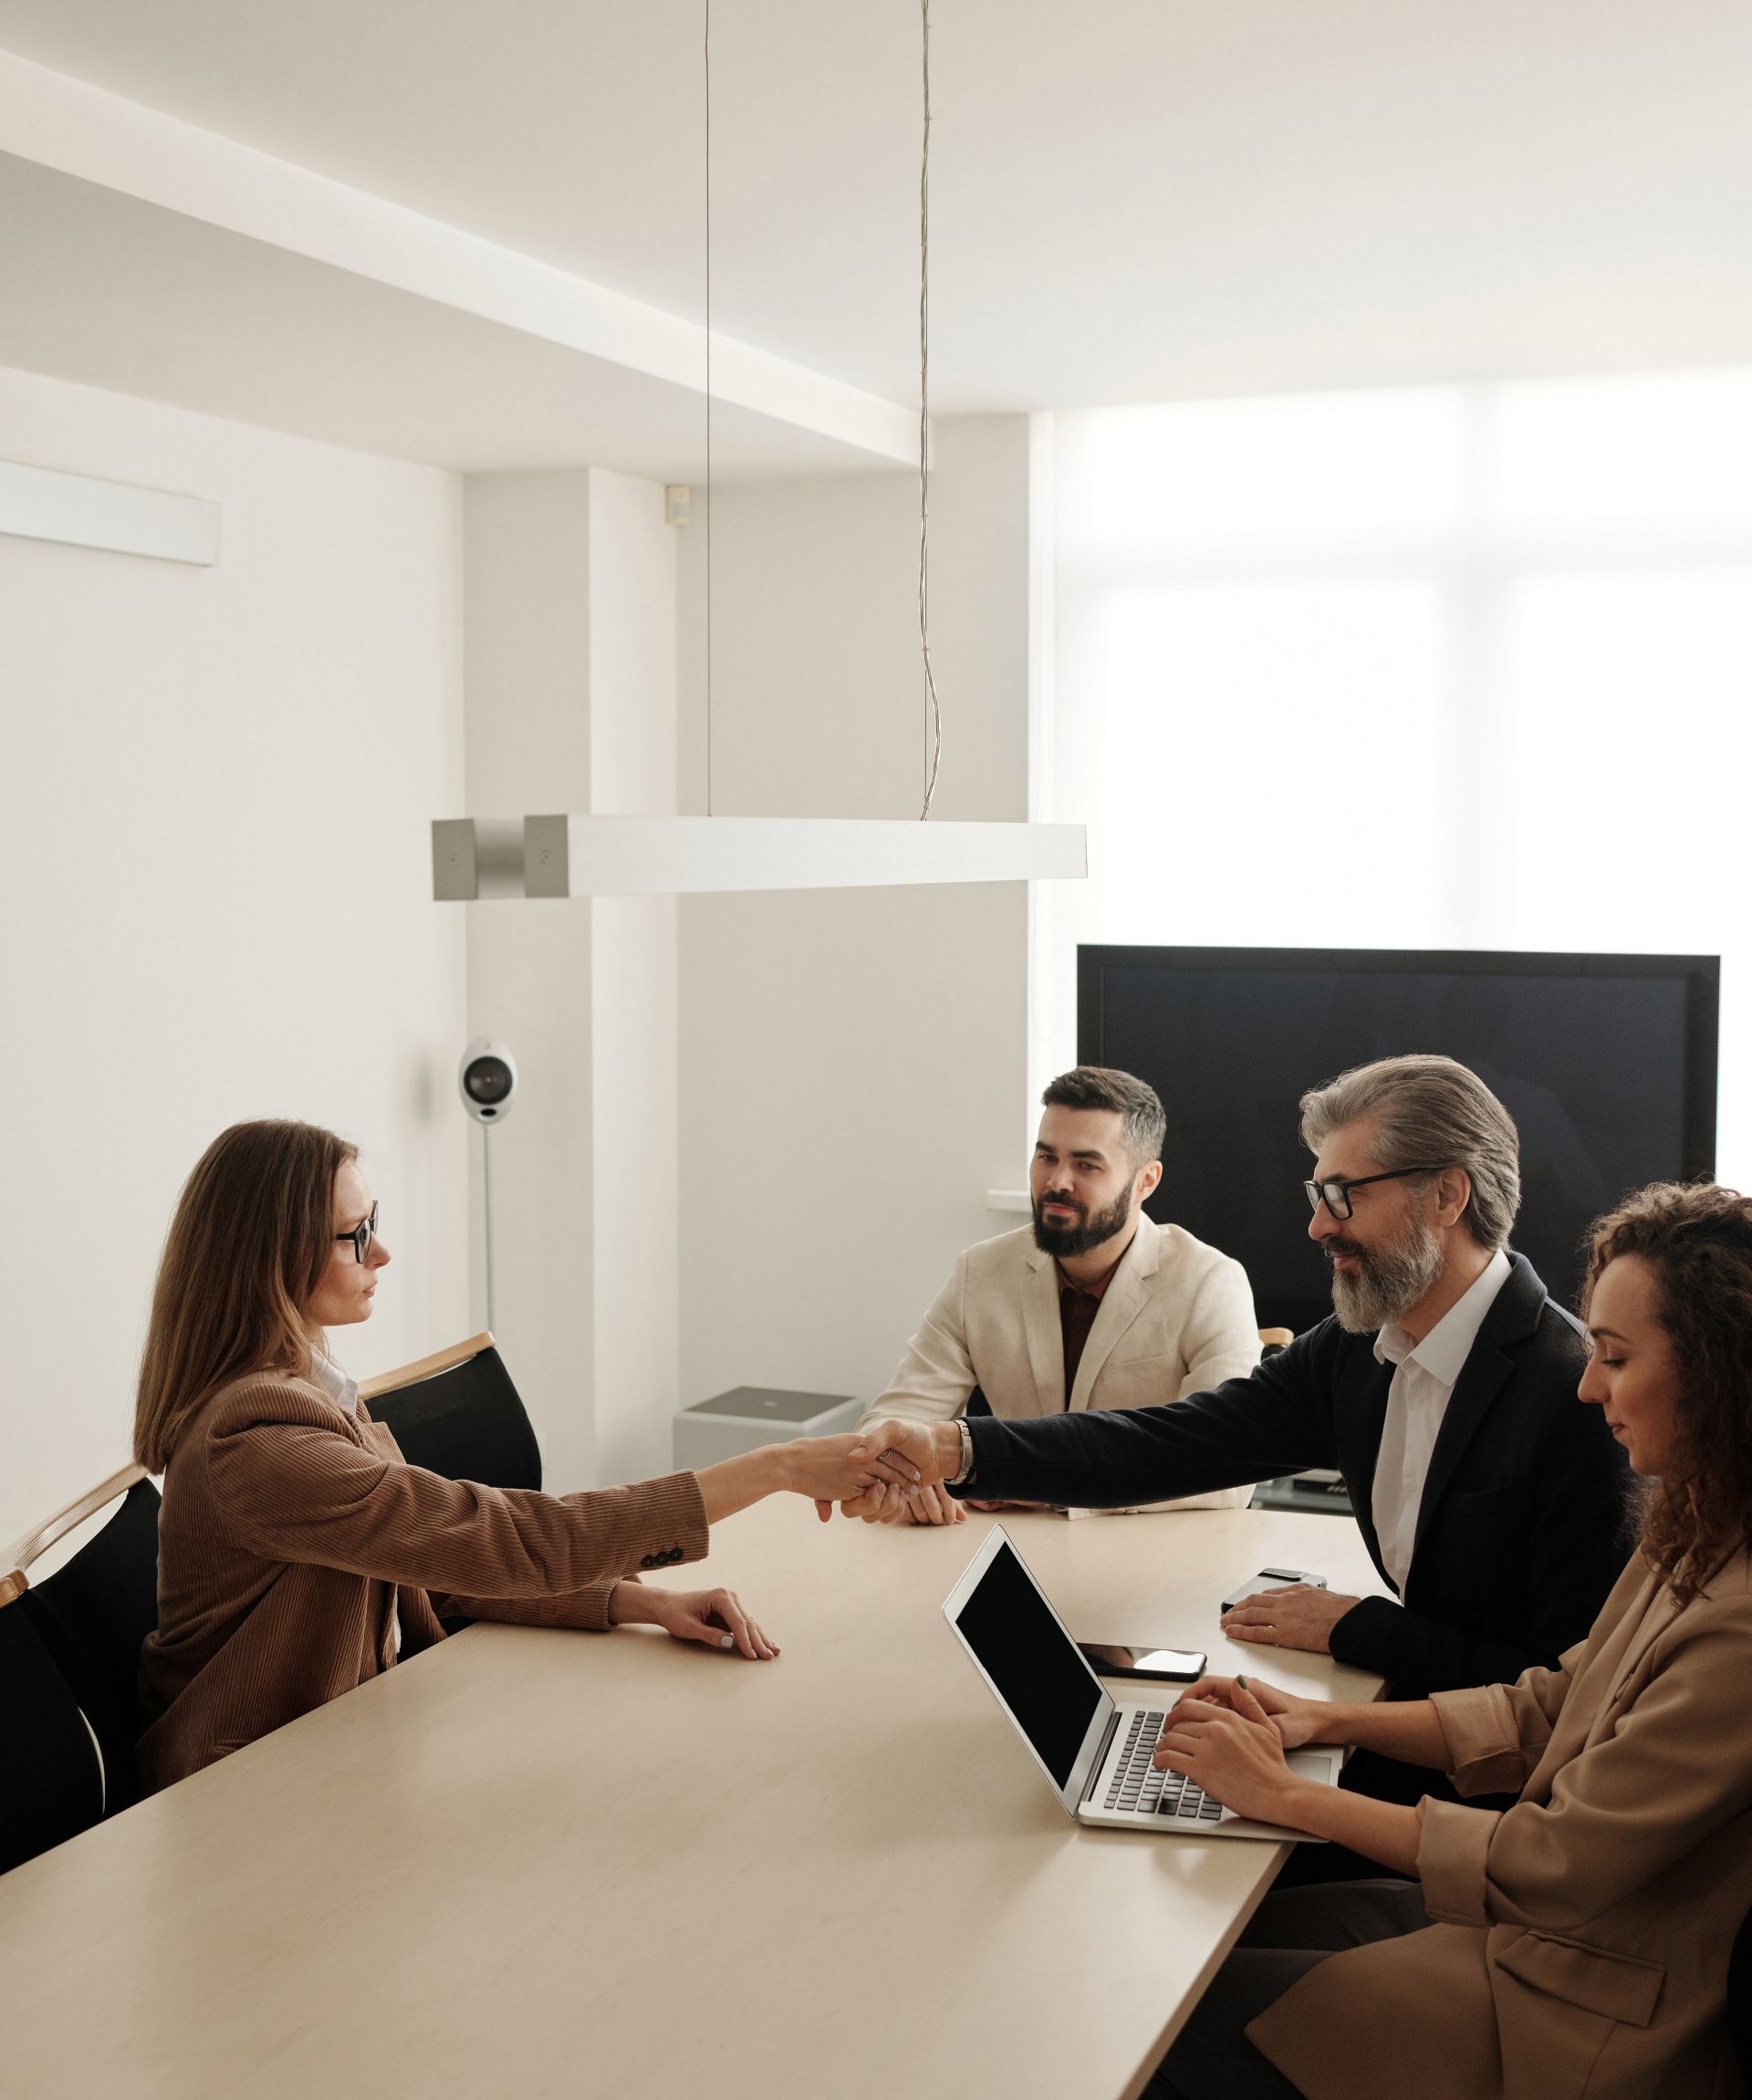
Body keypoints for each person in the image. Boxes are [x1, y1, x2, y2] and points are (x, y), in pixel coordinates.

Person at [853, 1055, 1630, 1824]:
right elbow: (1170, 1444)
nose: (1317, 1224)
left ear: (1448, 1195)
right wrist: (962, 1450)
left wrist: (1356, 1626)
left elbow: (1565, 1690)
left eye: (1340, 1196)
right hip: (1411, 1745)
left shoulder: (1577, 1398)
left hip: (1497, 1808)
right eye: (1315, 1194)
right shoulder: (1359, 1350)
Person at [1142, 1179, 1752, 2099]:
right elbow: (1546, 1704)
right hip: (1542, 1944)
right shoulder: (1698, 1525)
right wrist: (1323, 1724)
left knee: (1160, 2026)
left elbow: (1553, 1865)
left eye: (1617, 1359)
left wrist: (1280, 1794)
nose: (1589, 1385)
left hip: (1583, 2011)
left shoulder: (1739, 1623)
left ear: (1719, 1371)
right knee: (1184, 1947)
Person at [134, 1120, 911, 1794]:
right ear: (270, 1256)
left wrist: (638, 1602)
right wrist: (770, 1469)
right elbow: (499, 1539)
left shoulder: (308, 1386)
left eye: (376, 1223)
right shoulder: (259, 1442)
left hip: (354, 1743)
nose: (384, 1253)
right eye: (356, 1235)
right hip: (246, 1796)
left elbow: (432, 1566)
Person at [858, 1066, 1260, 1525]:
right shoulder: (982, 1270)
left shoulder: (1210, 1281)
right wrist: (908, 1474)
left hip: (1151, 1557)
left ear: (1146, 1181)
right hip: (1003, 1552)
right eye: (1047, 1157)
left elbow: (1232, 1468)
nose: (1057, 1182)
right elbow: (890, 1422)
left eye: (1086, 1165)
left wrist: (1048, 1483)